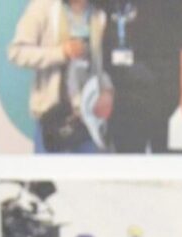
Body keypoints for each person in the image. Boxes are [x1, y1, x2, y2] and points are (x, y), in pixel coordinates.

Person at [97, 0, 182, 153]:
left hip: (166, 97)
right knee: (126, 171)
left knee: (170, 170)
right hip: (121, 101)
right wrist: (104, 89)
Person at [8, 0, 109, 153]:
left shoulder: (100, 13)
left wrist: (107, 89)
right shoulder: (43, 7)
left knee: (89, 176)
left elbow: (103, 67)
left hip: (90, 124)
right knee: (49, 176)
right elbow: (16, 52)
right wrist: (61, 53)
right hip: (53, 120)